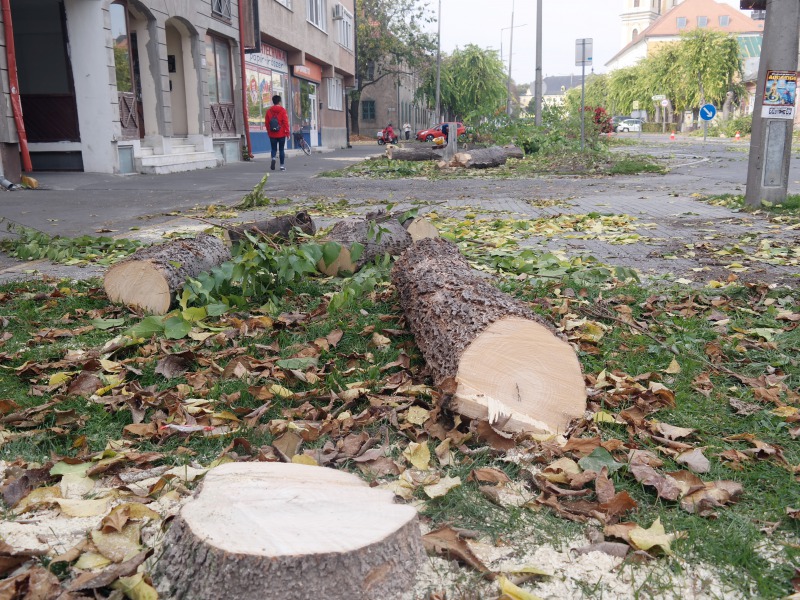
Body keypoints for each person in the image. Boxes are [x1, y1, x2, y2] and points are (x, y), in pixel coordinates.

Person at [265, 95, 290, 171]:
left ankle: (273, 158)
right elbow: (286, 122)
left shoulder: (269, 111)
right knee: (281, 149)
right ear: (279, 102)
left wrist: (269, 131)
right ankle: (282, 166)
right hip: (281, 133)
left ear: (273, 102)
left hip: (272, 134)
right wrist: (287, 133)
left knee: (273, 149)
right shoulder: (283, 110)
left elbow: (266, 123)